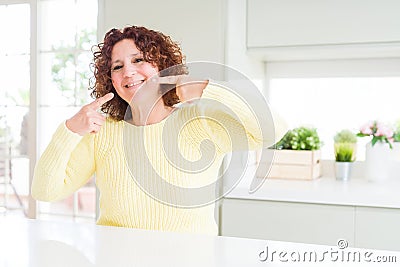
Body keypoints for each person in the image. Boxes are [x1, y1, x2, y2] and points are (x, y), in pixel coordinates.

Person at [32, 25, 286, 235]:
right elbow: (45, 191)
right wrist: (69, 130)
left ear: (163, 65)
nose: (128, 71)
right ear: (111, 81)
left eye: (138, 60)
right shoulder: (103, 133)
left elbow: (273, 129)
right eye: (117, 67)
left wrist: (205, 88)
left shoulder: (200, 123)